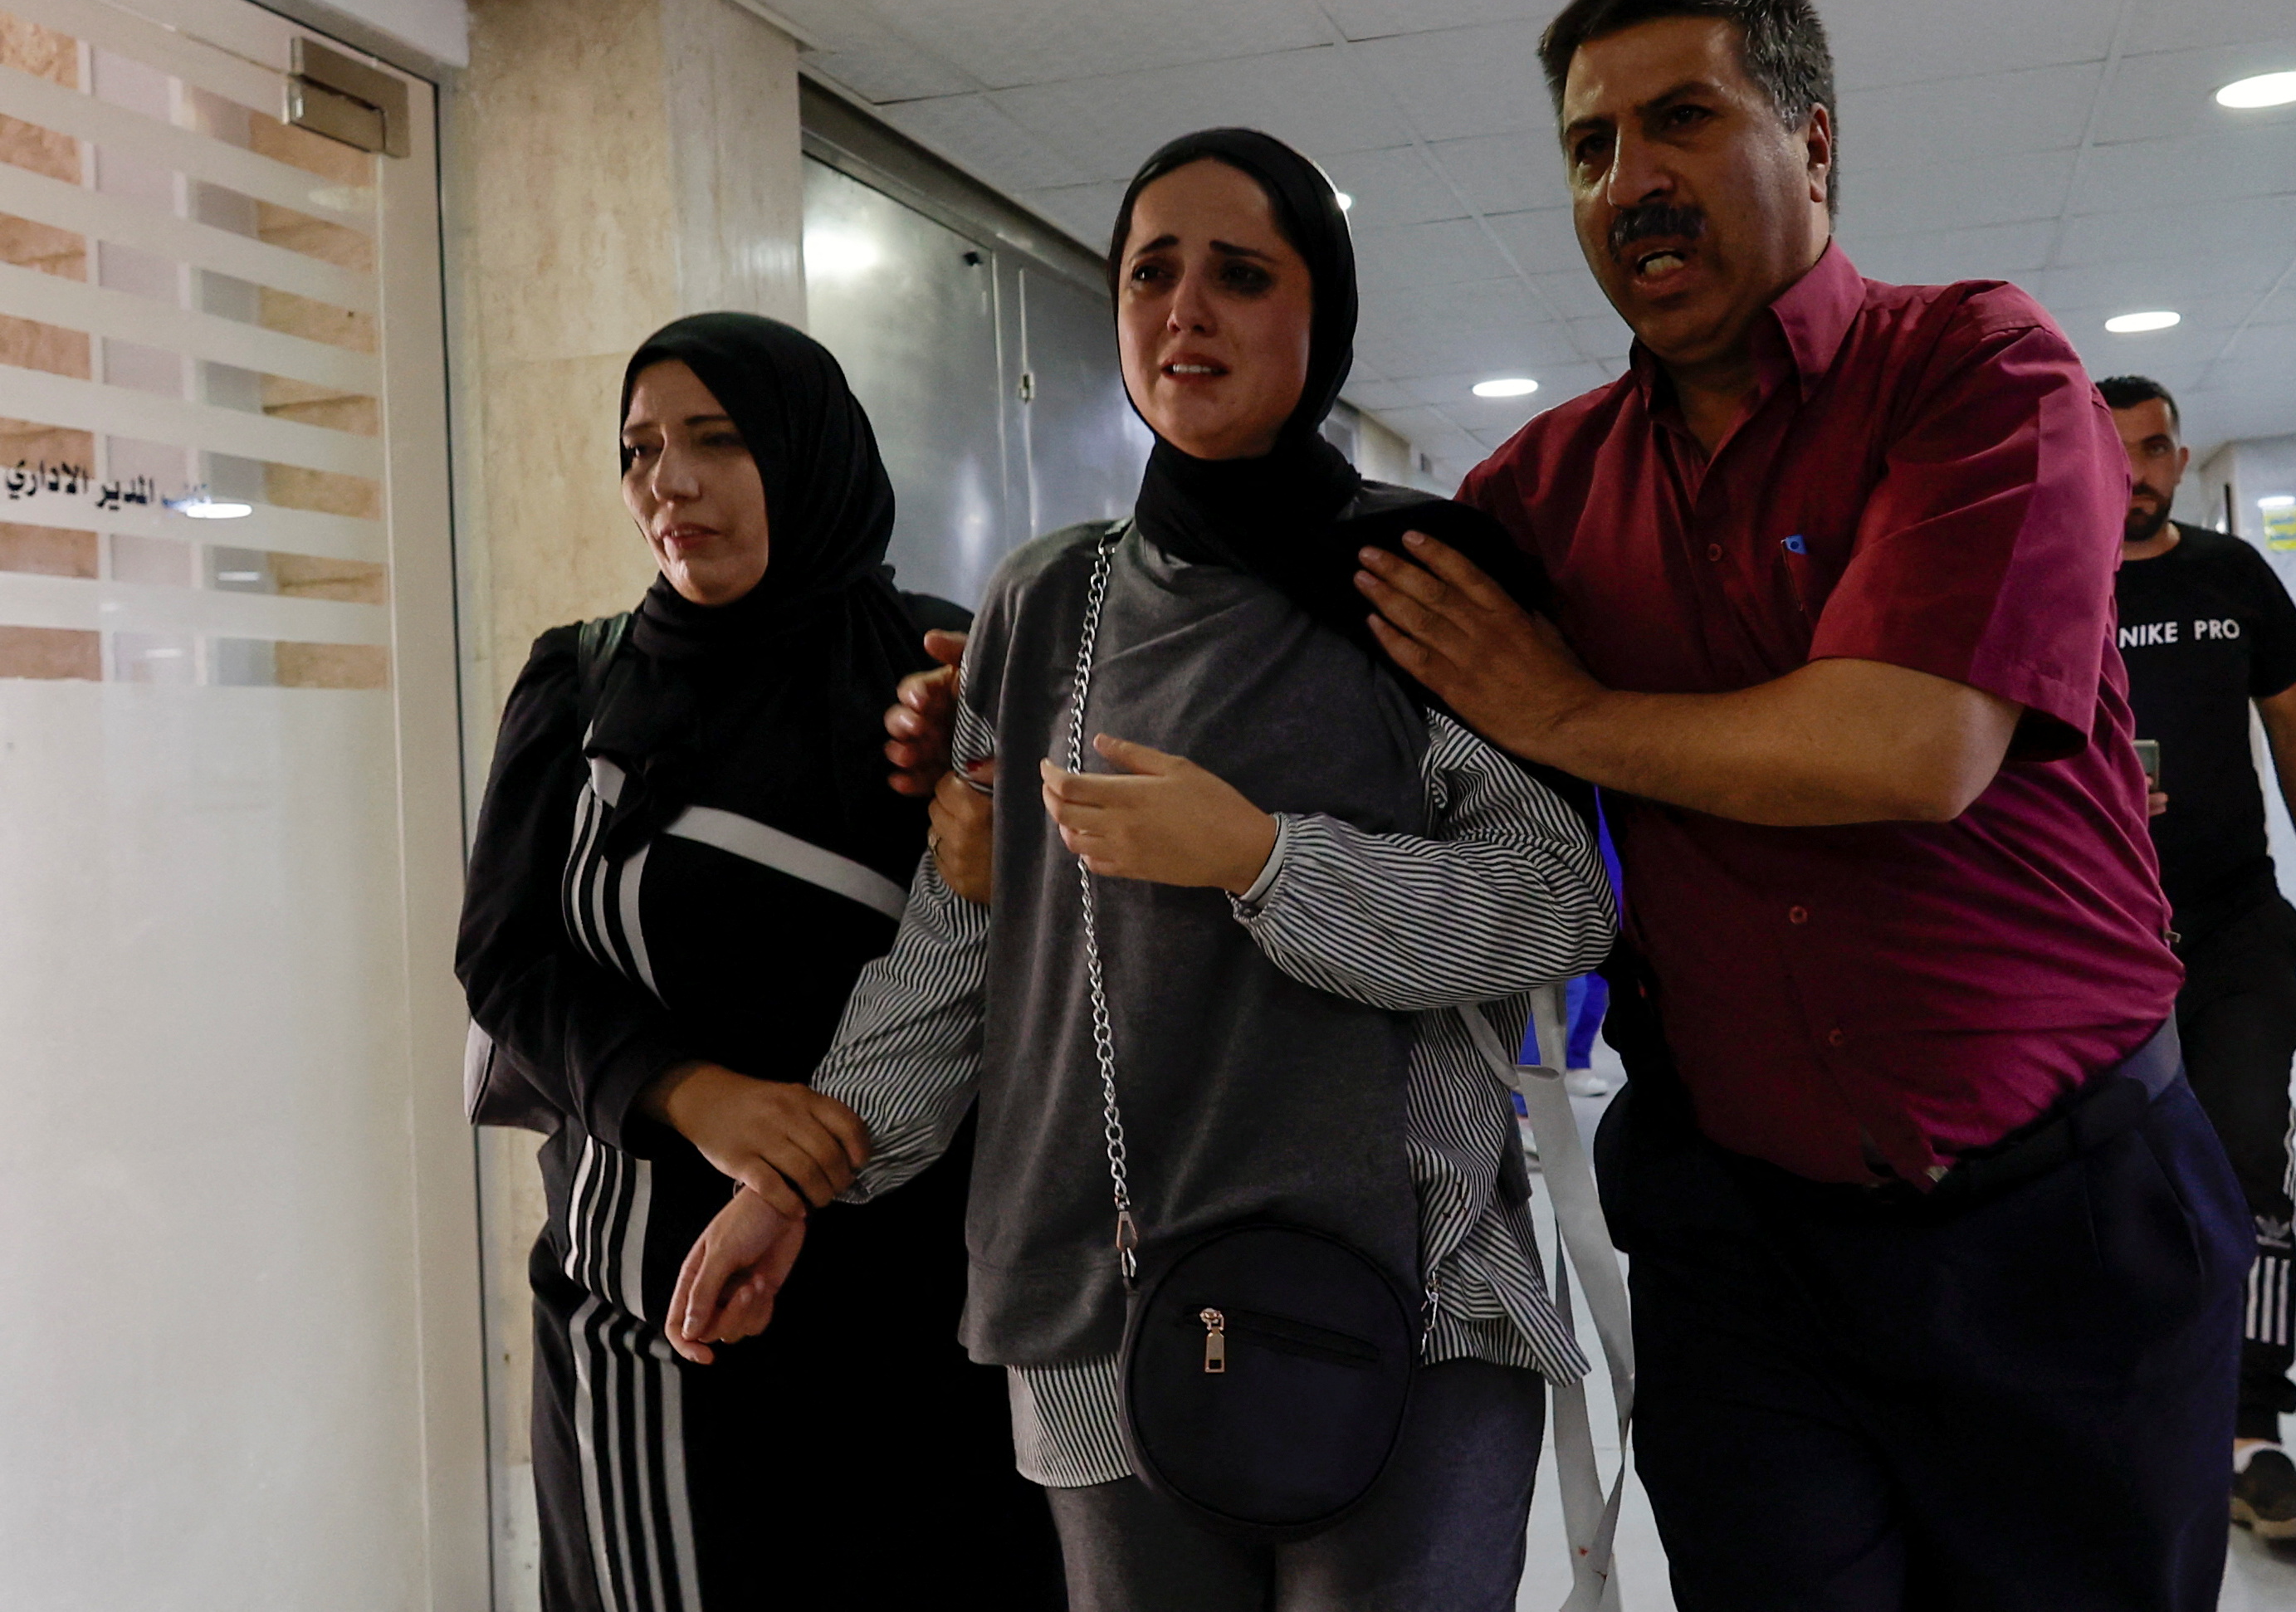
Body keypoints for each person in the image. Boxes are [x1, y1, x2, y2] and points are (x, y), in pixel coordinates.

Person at [1341, 0, 2253, 1610]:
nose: (1633, 183)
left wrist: (1569, 706)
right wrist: (1037, 672)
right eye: (1592, 147)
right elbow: (1326, 668)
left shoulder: (1976, 372)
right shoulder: (1535, 491)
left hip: (2065, 1228)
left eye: (1682, 120)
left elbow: (1909, 747)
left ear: (1815, 144)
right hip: (1743, 1254)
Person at [667, 129, 1614, 1612]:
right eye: (1150, 274)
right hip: (1095, 1303)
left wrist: (1259, 858)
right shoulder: (1043, 604)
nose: (1187, 311)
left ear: (1324, 314)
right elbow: (963, 946)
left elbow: (1551, 900)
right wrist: (804, 1172)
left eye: (1241, 275)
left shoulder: (1418, 579)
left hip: (1404, 1296)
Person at [455, 313, 1061, 1611]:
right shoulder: (580, 683)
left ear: (807, 451)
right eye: (639, 450)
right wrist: (695, 1095)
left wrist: (993, 811)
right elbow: (505, 961)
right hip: (654, 1319)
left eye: (714, 441)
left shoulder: (939, 669)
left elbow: (1022, 956)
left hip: (917, 1304)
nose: (666, 484)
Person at [2105, 373, 2296, 1544]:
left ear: (2176, 451)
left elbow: (2291, 728)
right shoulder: (2047, 588)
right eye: (2113, 458)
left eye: (2153, 450)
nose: (2138, 476)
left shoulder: (2229, 573)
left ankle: (2251, 1435)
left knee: (2249, 1147)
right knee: (2111, 1182)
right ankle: (2132, 1409)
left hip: (2235, 927)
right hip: (2095, 944)